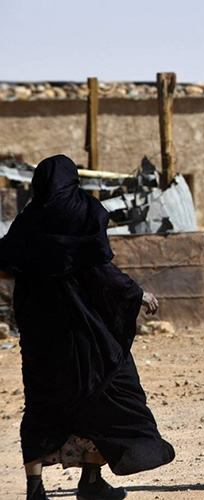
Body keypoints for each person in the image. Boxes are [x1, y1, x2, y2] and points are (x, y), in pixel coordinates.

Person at [0, 155, 175, 500]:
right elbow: (100, 269)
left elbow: (5, 264)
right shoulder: (84, 212)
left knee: (42, 402)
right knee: (106, 390)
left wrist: (35, 274)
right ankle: (91, 480)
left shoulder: (28, 220)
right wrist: (136, 294)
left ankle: (35, 489)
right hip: (89, 332)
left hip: (42, 335)